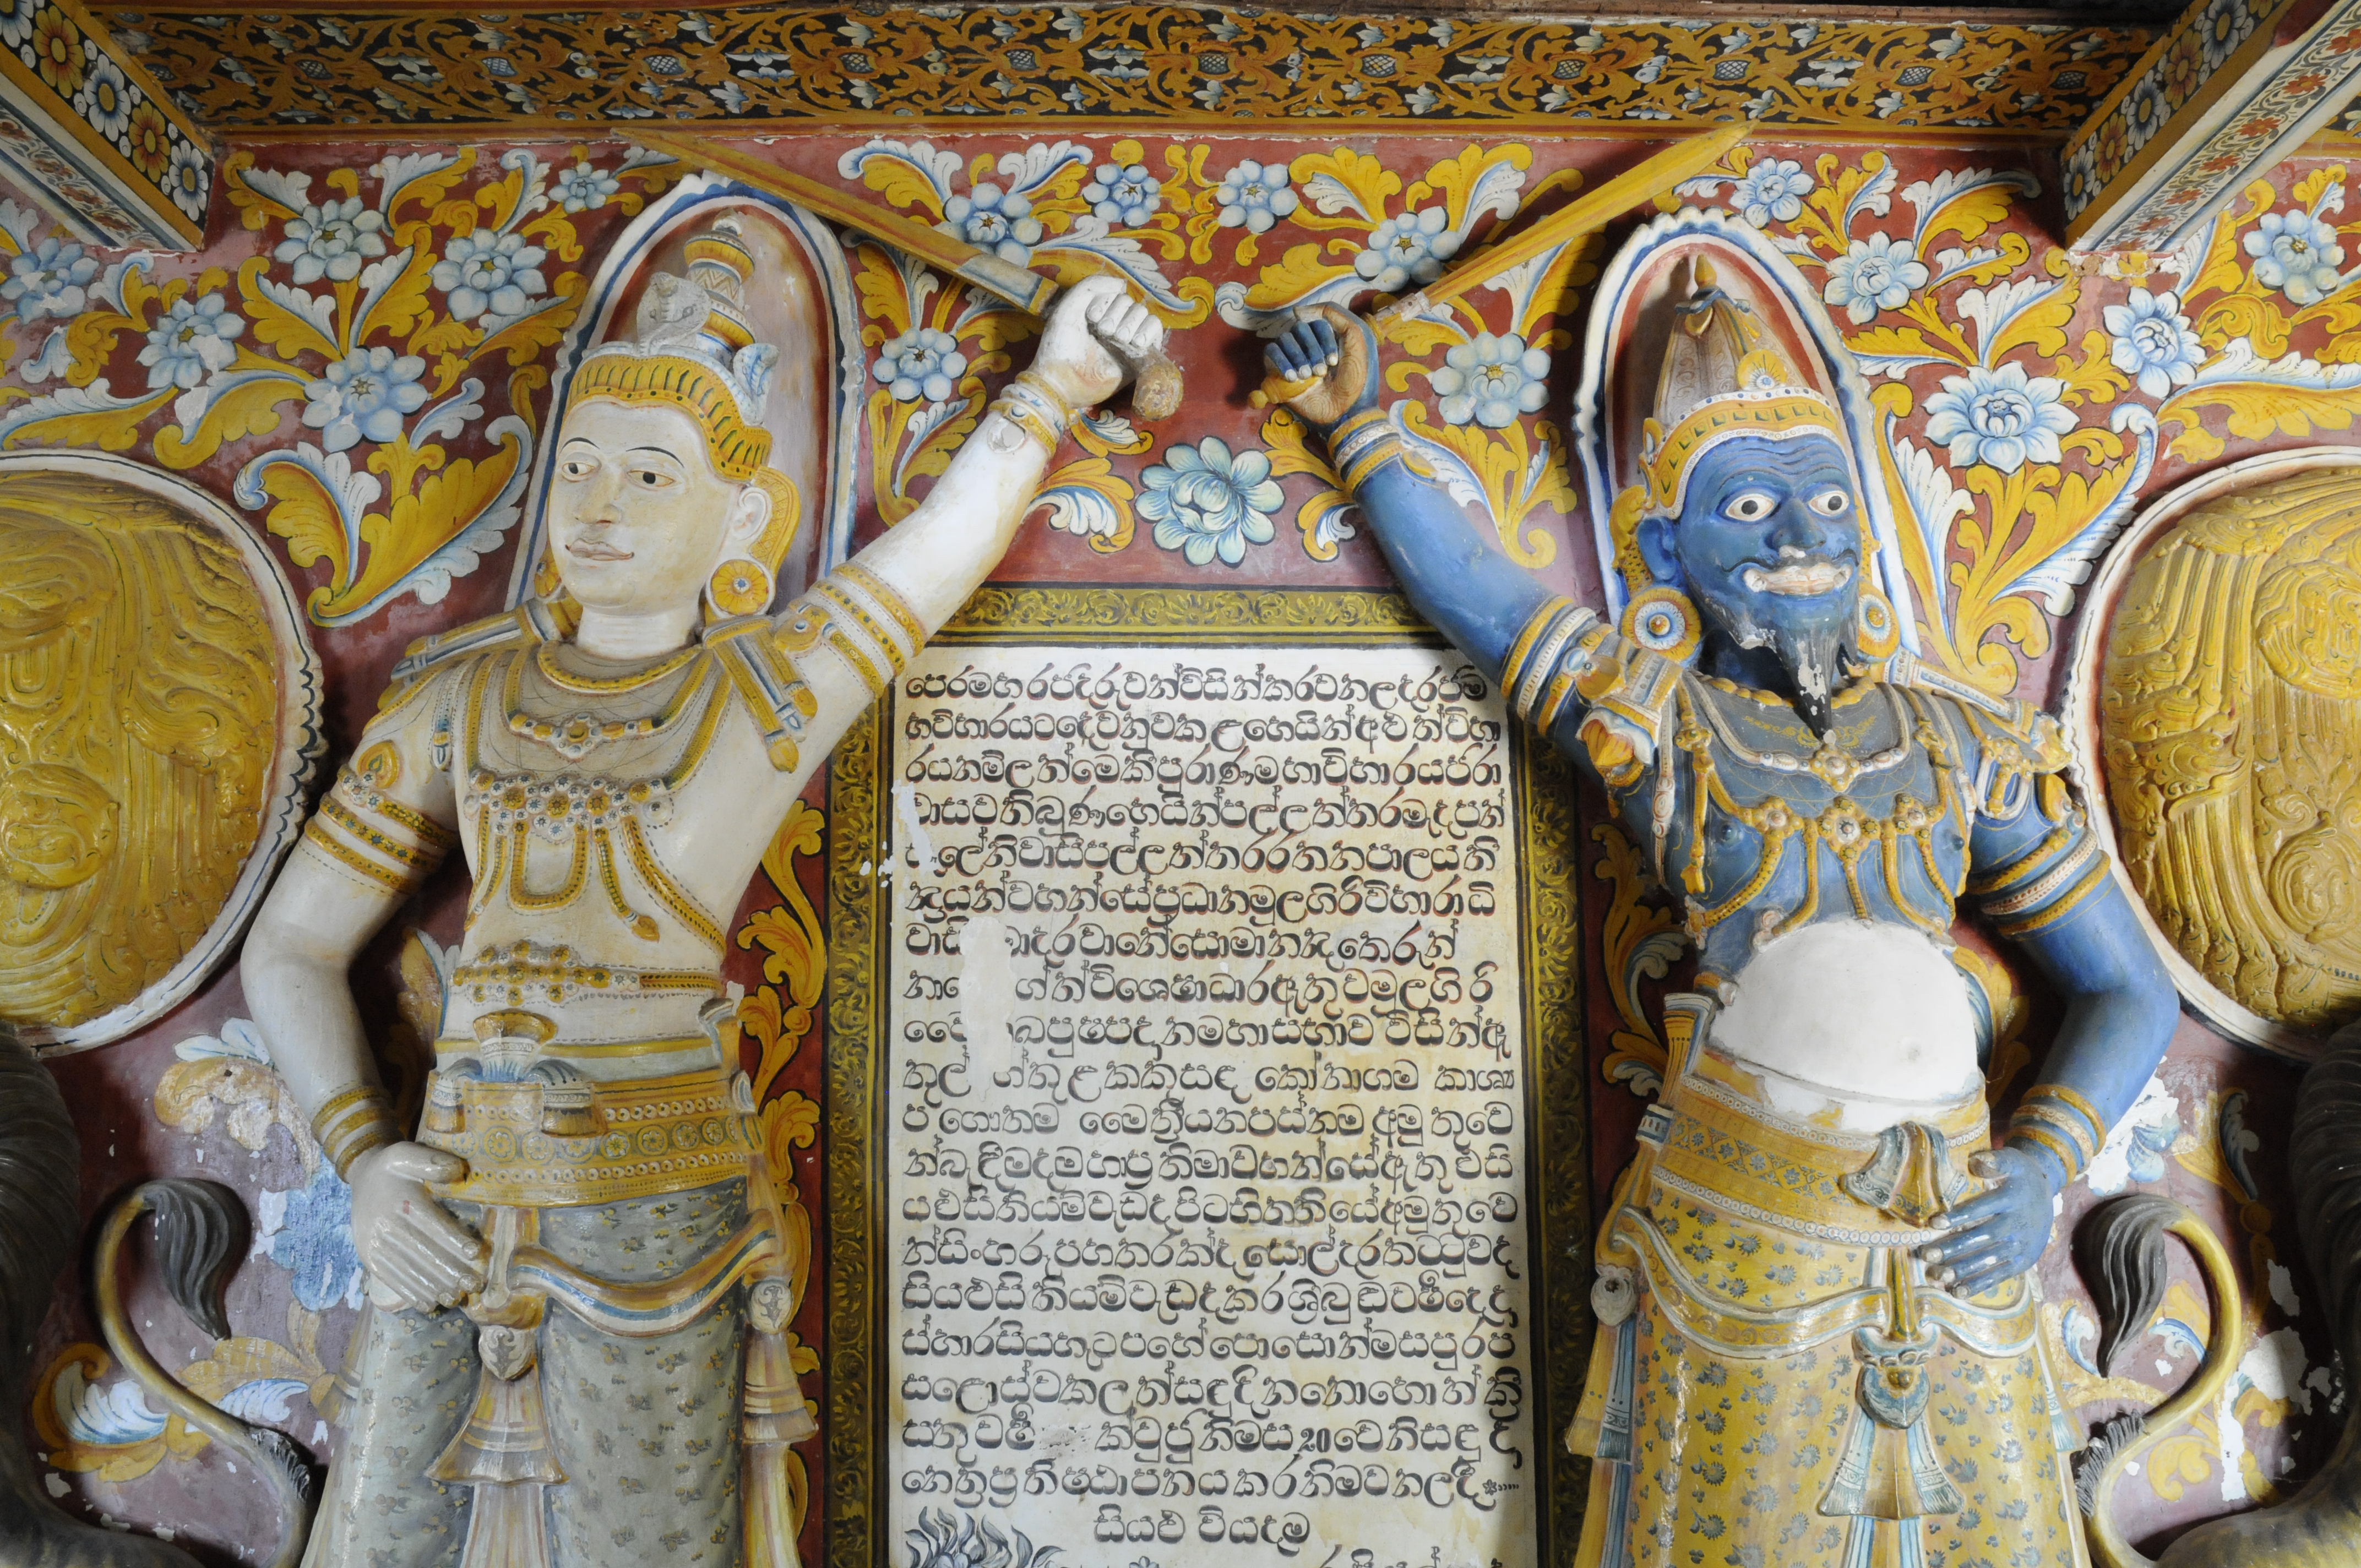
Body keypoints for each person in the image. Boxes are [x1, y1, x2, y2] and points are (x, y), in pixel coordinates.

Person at [238, 216, 1164, 1568]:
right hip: (448, 1199)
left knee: (651, 1539)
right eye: (579, 470)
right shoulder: (456, 699)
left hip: (658, 1203)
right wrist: (363, 1160)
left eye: (649, 475)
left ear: (739, 516)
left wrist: (1059, 384)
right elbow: (291, 947)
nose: (599, 507)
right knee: (388, 1542)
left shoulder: (759, 692)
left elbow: (939, 552)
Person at [1261, 264, 2178, 1568]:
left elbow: (2129, 987)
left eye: (1824, 502)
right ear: (1665, 553)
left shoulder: (1956, 744)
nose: (1798, 533)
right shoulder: (1665, 719)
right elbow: (1486, 600)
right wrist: (1357, 425)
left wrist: (2039, 1165)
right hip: (1742, 1207)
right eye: (1746, 506)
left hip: (1953, 1214)